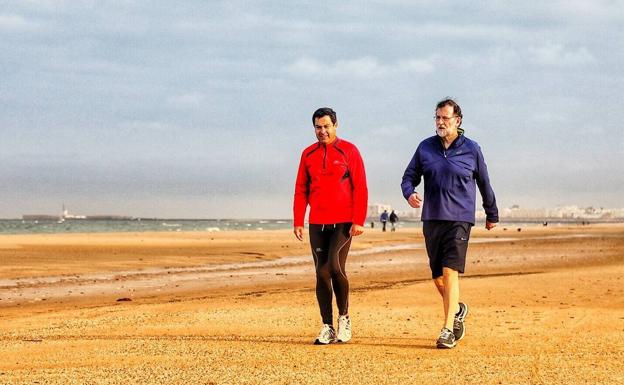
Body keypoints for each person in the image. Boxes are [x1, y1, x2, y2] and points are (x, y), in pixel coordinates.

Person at [401, 98, 498, 349]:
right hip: (432, 217)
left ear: (458, 120)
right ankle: (457, 308)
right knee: (437, 276)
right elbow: (409, 177)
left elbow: (484, 182)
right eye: (437, 118)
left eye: (445, 118)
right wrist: (410, 192)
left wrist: (492, 213)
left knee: (450, 271)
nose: (441, 122)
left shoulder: (472, 149)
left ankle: (446, 330)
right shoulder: (425, 148)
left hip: (459, 219)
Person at [293, 107, 368, 345]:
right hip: (317, 222)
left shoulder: (349, 150)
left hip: (344, 221)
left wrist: (359, 220)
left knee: (333, 266)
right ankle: (327, 326)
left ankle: (344, 318)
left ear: (336, 125)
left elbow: (361, 186)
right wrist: (298, 220)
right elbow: (301, 189)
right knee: (320, 272)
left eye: (326, 126)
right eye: (318, 127)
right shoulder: (308, 154)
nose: (322, 131)